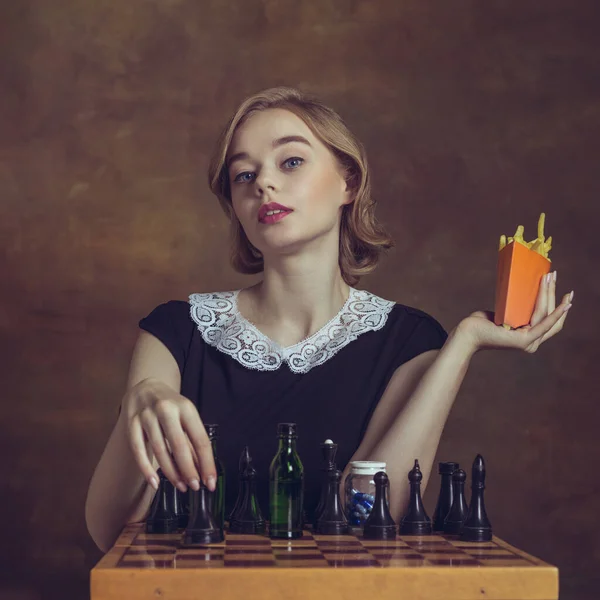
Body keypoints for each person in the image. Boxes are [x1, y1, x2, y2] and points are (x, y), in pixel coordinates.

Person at [85, 86, 573, 553]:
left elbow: (363, 518)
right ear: (234, 206)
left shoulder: (409, 340)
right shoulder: (176, 330)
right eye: (243, 175)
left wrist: (463, 343)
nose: (264, 183)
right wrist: (139, 400)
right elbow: (109, 530)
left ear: (349, 182)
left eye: (290, 161)